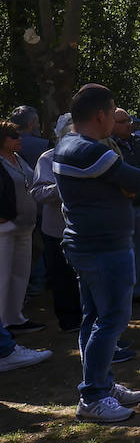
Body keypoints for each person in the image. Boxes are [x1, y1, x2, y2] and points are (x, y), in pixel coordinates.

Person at [53, 84, 140, 423]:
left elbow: (130, 183)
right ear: (100, 115)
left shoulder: (66, 144)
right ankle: (93, 395)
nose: (114, 120)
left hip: (88, 245)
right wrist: (122, 187)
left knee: (94, 318)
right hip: (103, 248)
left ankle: (100, 384)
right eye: (113, 114)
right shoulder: (91, 152)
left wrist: (119, 186)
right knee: (111, 320)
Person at [32, 116, 82, 332]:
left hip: (85, 227)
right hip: (57, 229)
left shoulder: (88, 156)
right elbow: (38, 192)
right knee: (63, 277)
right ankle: (70, 321)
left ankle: (89, 316)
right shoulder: (48, 158)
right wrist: (63, 186)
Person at [0, 121, 42, 333]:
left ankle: (15, 318)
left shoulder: (17, 158)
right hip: (5, 228)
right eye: (14, 136)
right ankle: (2, 325)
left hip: (25, 226)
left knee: (20, 274)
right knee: (2, 275)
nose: (20, 139)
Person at [111, 108, 140, 299]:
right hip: (124, 206)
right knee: (124, 250)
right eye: (122, 122)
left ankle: (138, 288)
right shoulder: (108, 146)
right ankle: (125, 291)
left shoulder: (137, 142)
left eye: (128, 120)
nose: (128, 124)